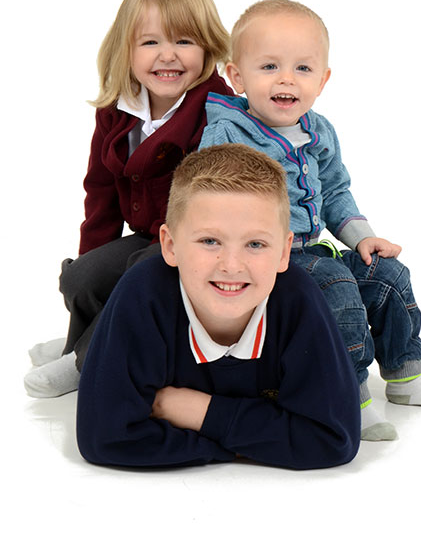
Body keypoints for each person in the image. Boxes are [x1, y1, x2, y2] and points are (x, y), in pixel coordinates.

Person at [199, 0, 421, 441]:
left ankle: (404, 375)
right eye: (269, 66)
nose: (287, 78)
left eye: (303, 69)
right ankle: (348, 393)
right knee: (337, 288)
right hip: (266, 258)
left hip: (315, 249)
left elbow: (336, 190)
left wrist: (362, 238)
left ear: (322, 80)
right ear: (236, 76)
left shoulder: (319, 129)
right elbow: (212, 202)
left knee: (387, 276)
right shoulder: (228, 133)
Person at [76, 143, 360, 469]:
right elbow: (105, 437)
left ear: (283, 252)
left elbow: (333, 440)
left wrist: (201, 412)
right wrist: (253, 442)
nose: (231, 265)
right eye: (210, 241)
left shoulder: (298, 300)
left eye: (255, 244)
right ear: (170, 246)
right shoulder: (143, 294)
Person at [24, 0, 233, 398]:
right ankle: (75, 341)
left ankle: (87, 361)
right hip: (145, 233)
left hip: (192, 241)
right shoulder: (116, 109)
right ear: (128, 50)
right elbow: (99, 190)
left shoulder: (216, 109)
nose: (167, 56)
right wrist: (93, 258)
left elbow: (209, 198)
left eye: (185, 41)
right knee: (83, 276)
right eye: (151, 42)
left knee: (144, 271)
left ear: (209, 48)